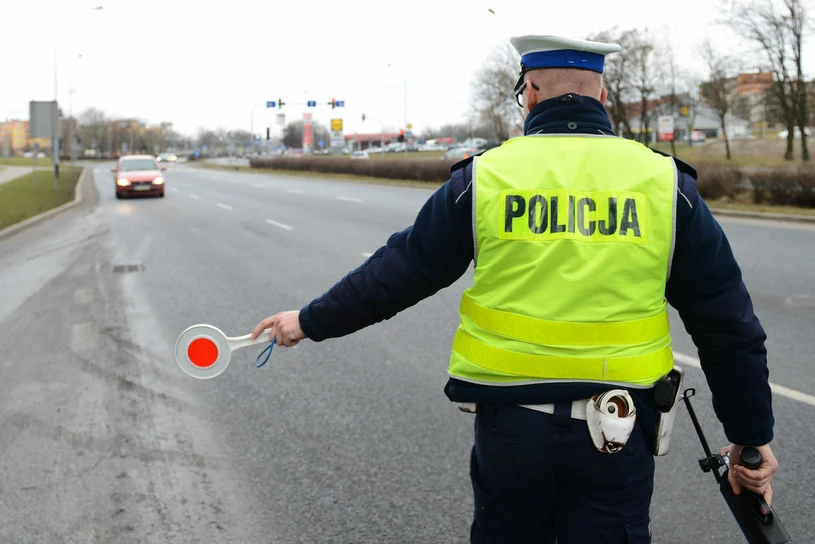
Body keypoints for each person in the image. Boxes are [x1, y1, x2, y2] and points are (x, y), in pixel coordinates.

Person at [251, 35, 778, 543]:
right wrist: (749, 442)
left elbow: (397, 274)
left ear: (529, 93)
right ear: (603, 95)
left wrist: (308, 320)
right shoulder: (666, 186)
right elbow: (727, 325)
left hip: (512, 434)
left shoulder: (485, 179)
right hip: (617, 433)